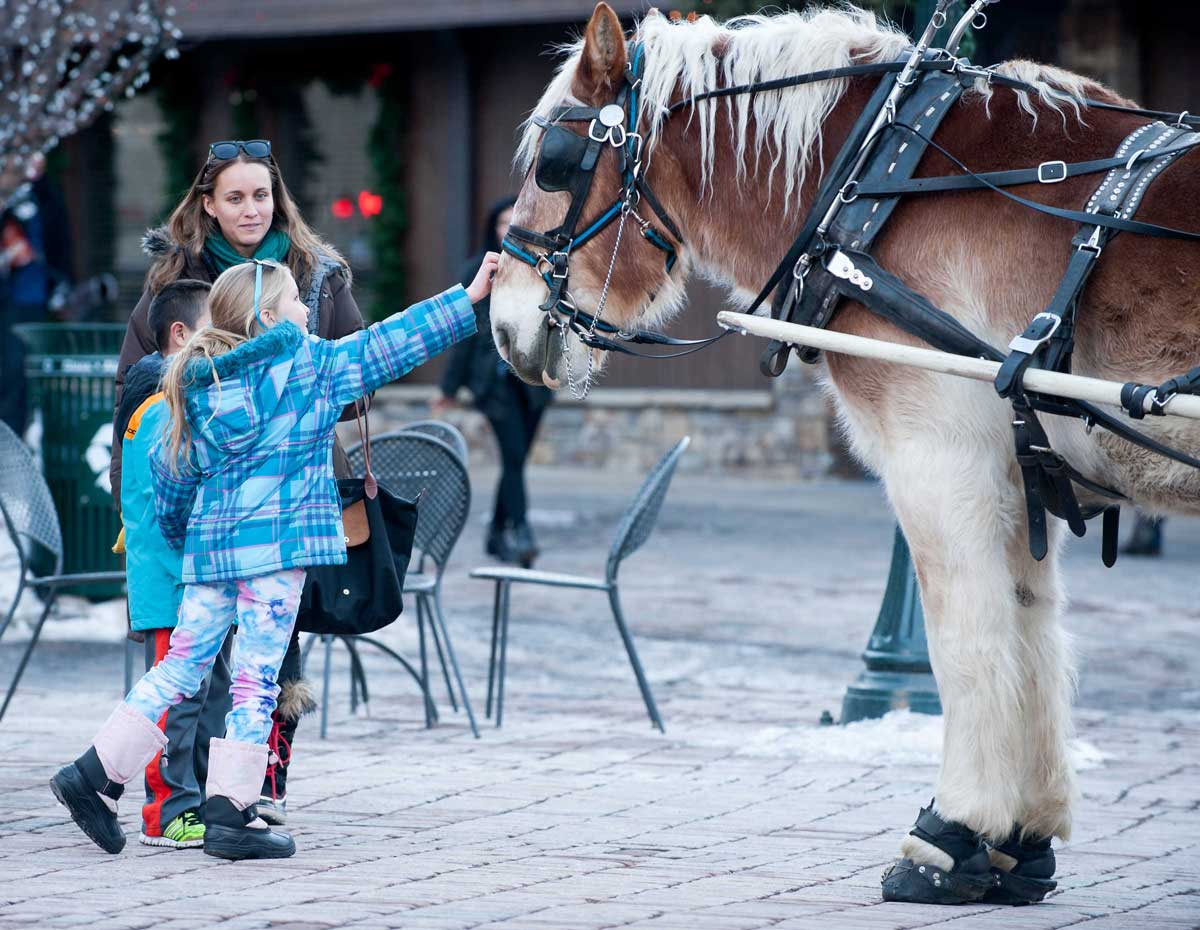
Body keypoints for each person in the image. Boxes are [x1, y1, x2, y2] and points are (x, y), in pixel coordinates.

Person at [51, 253, 493, 860]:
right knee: (256, 681)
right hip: (276, 555)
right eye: (295, 301)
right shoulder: (310, 367)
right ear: (266, 316)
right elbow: (390, 343)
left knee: (182, 666)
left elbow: (170, 475)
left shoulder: (195, 382)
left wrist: (188, 536)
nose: (308, 310)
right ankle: (231, 812)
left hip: (211, 552)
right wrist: (466, 298)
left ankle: (94, 773)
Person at [110, 139, 366, 825]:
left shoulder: (316, 275)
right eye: (235, 197)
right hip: (201, 494)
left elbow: (356, 379)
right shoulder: (177, 283)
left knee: (273, 652)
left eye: (261, 195)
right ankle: (179, 797)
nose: (250, 209)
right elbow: (136, 388)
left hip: (289, 490)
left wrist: (296, 393)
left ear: (276, 199)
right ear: (208, 205)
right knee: (197, 659)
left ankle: (254, 793)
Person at [114, 279, 225, 849]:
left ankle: (196, 799)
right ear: (182, 336)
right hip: (173, 583)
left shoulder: (176, 399)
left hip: (193, 580)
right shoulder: (162, 408)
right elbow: (165, 509)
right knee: (173, 706)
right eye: (216, 327)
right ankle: (164, 811)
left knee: (203, 702)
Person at [434, 197, 552, 567]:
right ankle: (518, 529)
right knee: (514, 457)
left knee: (516, 461)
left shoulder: (543, 270)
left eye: (515, 220)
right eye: (502, 222)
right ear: (493, 228)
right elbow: (465, 335)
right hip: (494, 384)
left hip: (533, 384)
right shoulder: (478, 270)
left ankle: (495, 535)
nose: (508, 228)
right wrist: (449, 390)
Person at [0, 153, 73, 435]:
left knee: (16, 374)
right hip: (14, 296)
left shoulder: (40, 197)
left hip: (28, 298)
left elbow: (57, 239)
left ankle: (11, 440)